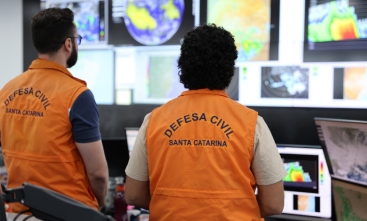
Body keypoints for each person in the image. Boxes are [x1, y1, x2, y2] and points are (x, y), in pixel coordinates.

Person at [124, 24, 287, 220]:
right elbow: (273, 204)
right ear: (229, 69)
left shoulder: (154, 120)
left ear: (183, 66)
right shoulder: (252, 123)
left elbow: (133, 194)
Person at [0, 8, 108, 213]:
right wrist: (99, 205)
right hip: (69, 213)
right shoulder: (78, 95)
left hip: (18, 212)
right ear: (68, 44)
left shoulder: (6, 91)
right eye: (78, 40)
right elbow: (98, 175)